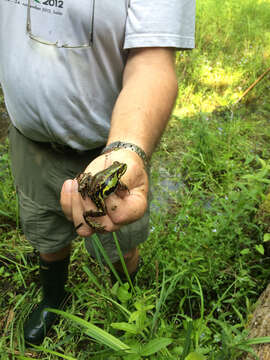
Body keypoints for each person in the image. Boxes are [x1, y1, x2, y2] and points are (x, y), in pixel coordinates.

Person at [0, 0, 195, 346]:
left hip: (106, 153)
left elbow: (152, 62)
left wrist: (127, 148)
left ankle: (128, 296)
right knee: (46, 230)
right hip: (30, 141)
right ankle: (53, 299)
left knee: (119, 240)